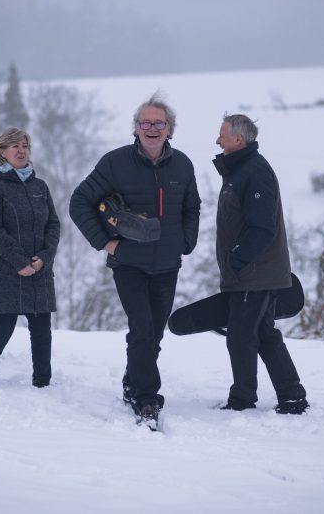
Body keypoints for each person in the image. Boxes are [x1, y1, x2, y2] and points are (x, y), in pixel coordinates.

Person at [69, 94, 200, 422]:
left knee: (153, 333)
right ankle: (146, 398)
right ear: (136, 128)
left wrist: (186, 242)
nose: (152, 128)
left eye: (158, 123)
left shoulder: (183, 164)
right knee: (141, 327)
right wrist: (105, 243)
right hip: (128, 262)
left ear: (169, 129)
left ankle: (132, 382)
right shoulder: (115, 162)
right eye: (146, 123)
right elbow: (79, 202)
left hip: (168, 263)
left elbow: (192, 206)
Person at [213, 114, 308, 415]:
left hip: (254, 273)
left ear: (238, 139)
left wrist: (236, 262)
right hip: (255, 272)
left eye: (222, 135)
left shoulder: (254, 172)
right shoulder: (242, 169)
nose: (218, 140)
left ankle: (242, 399)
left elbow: (262, 228)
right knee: (264, 334)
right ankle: (292, 395)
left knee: (241, 335)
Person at [0, 128, 60, 389]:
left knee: (42, 328)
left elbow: (53, 225)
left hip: (39, 268)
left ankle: (43, 383)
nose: (21, 151)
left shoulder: (39, 186)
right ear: (1, 153)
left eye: (25, 146)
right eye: (15, 146)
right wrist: (20, 262)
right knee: (2, 328)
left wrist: (44, 258)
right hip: (4, 270)